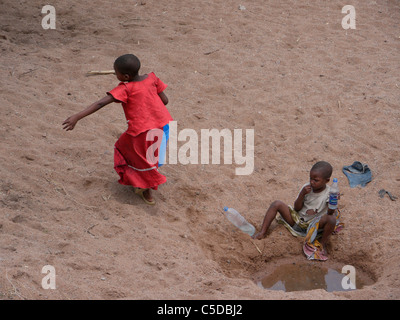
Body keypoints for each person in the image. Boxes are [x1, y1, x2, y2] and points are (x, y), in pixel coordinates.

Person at [62, 54, 173, 205]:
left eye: (116, 73)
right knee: (152, 157)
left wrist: (77, 117)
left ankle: (146, 190)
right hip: (163, 126)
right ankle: (145, 183)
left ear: (125, 76)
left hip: (141, 132)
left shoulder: (126, 88)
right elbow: (165, 100)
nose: (115, 74)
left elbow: (101, 103)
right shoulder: (152, 78)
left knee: (126, 150)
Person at [252, 161, 343, 260]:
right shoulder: (307, 188)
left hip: (314, 226)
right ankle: (262, 232)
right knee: (276, 204)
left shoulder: (329, 193)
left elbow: (329, 213)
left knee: (332, 219)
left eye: (316, 180)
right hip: (298, 221)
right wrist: (302, 194)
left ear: (326, 180)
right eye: (310, 178)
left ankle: (322, 244)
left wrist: (332, 202)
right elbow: (297, 208)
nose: (312, 182)